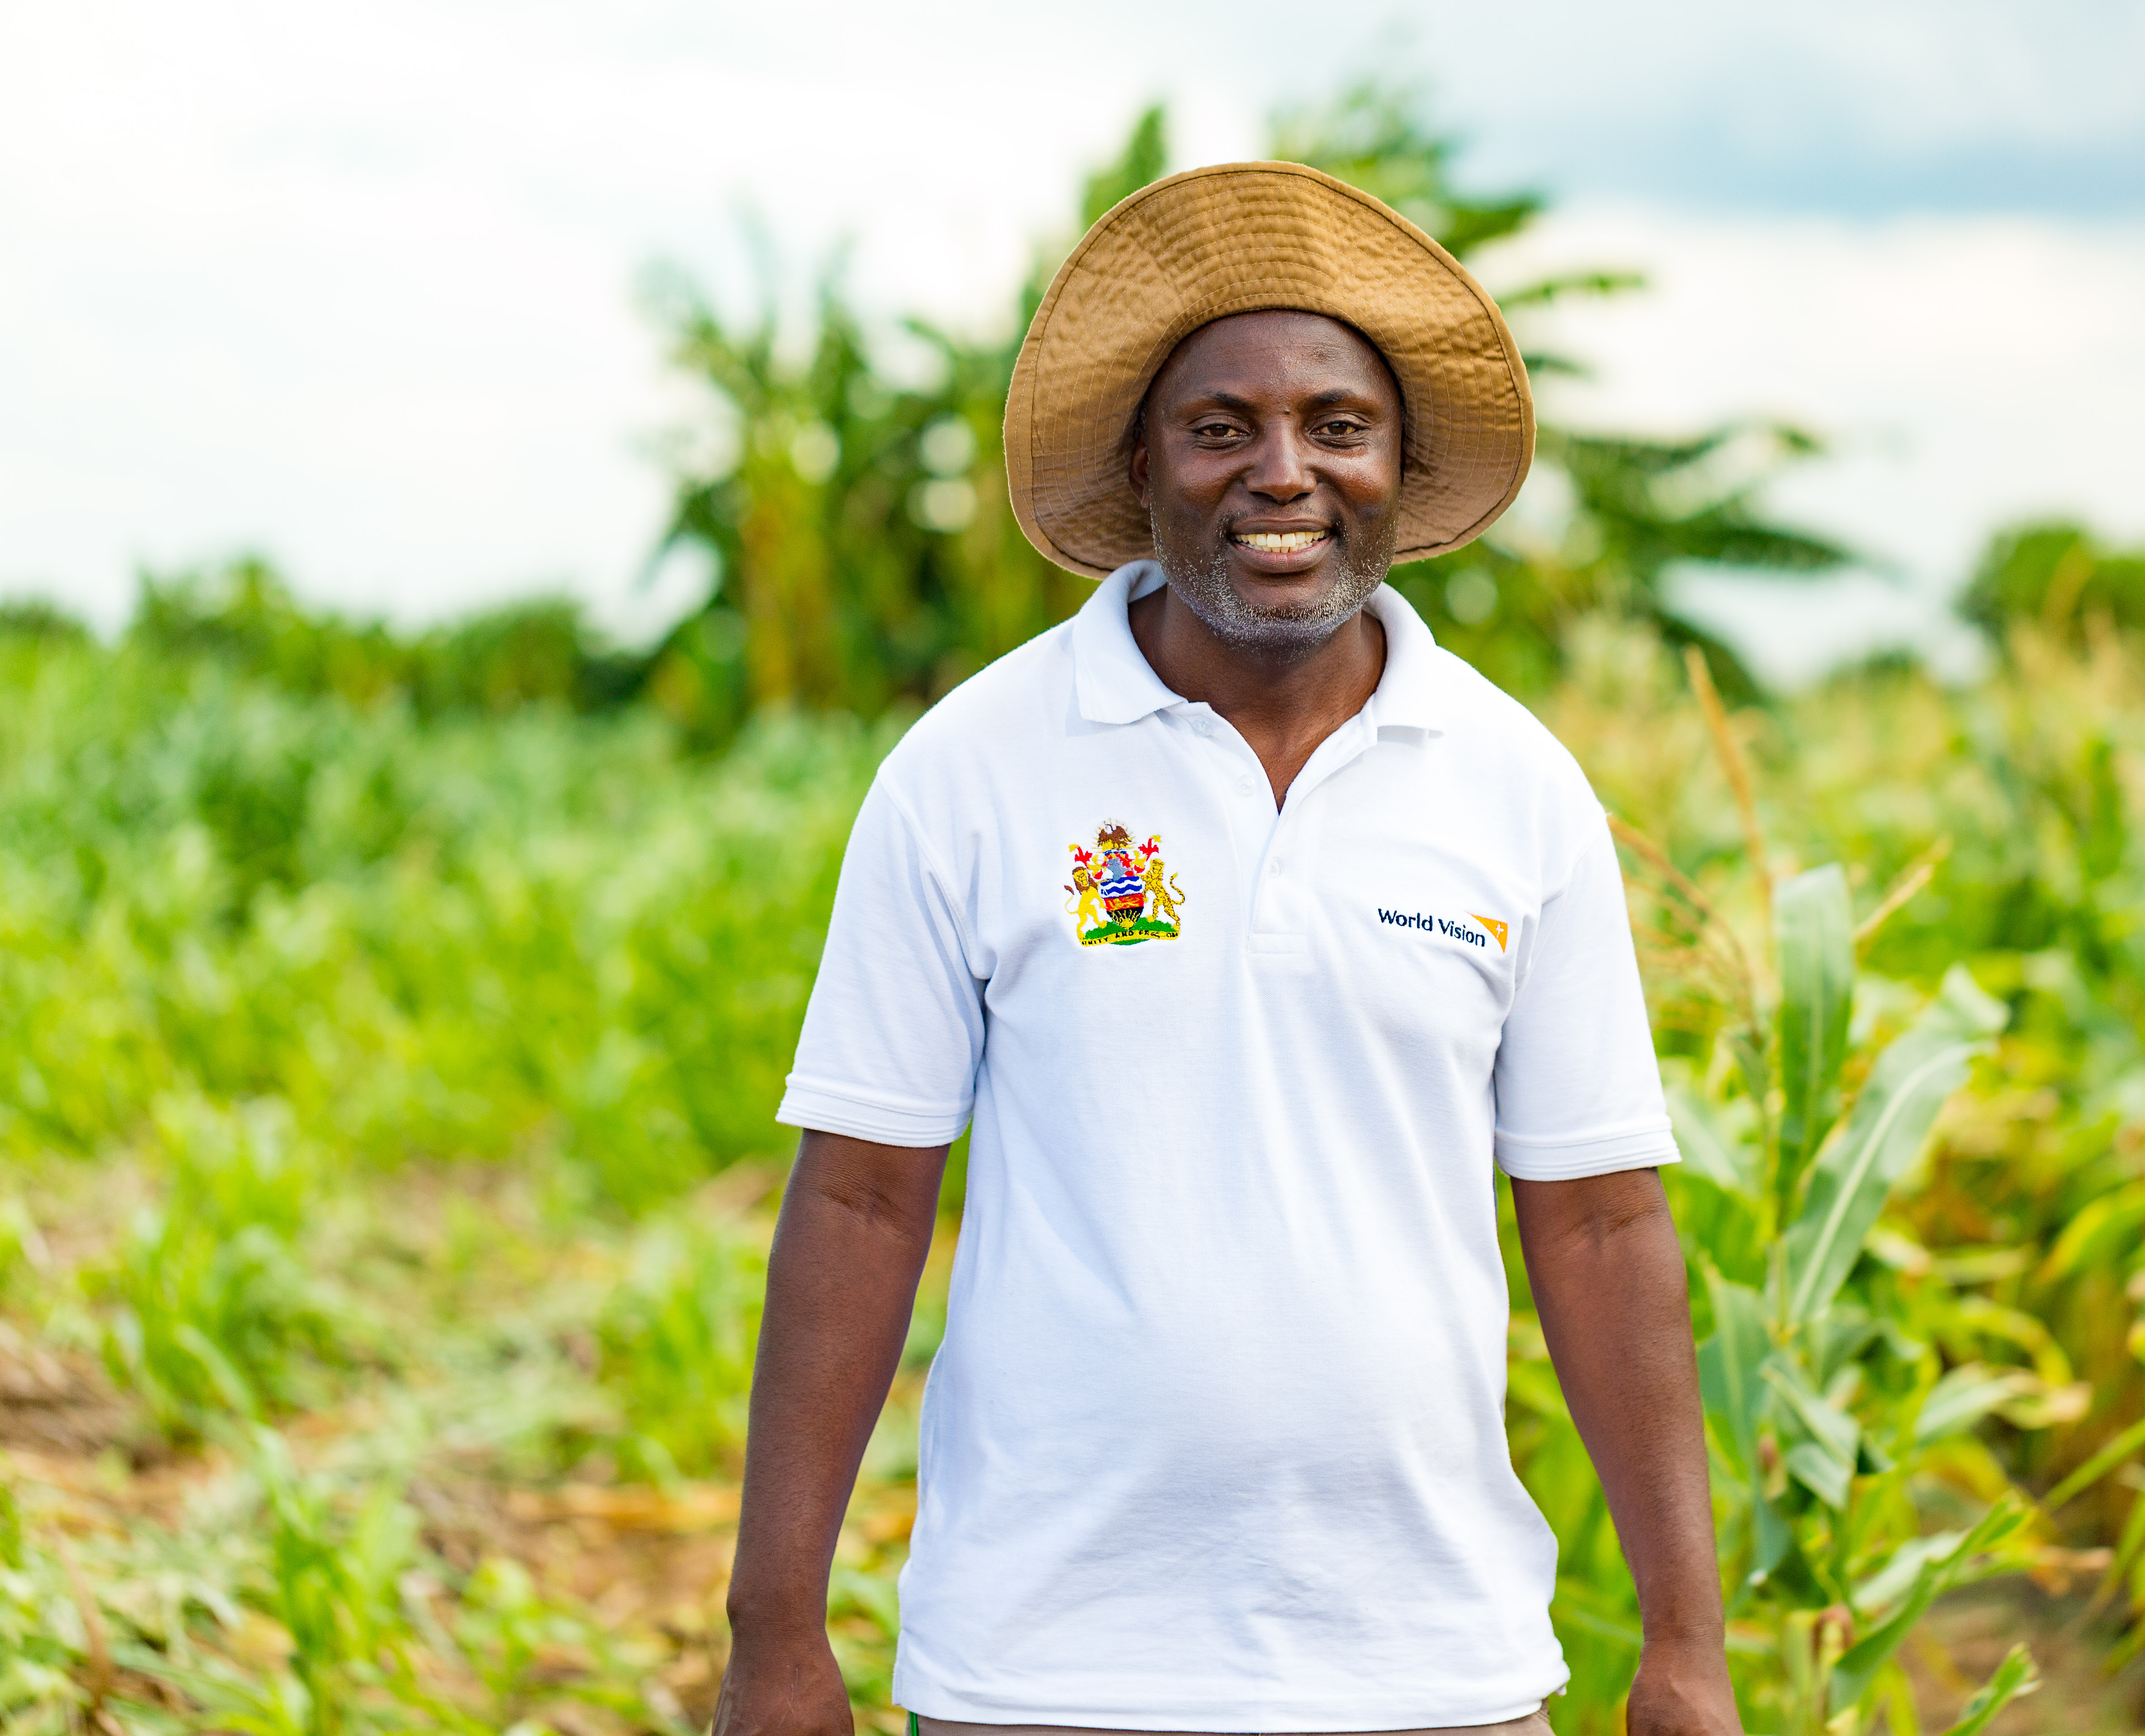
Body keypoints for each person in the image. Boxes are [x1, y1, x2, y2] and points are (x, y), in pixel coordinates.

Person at [712, 162, 1739, 1736]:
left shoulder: (1513, 785)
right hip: (1044, 1671)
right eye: (1222, 428)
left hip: (1434, 1670)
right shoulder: (974, 769)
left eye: (1339, 426)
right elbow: (859, 1194)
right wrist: (773, 1635)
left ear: (1397, 466)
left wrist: (1688, 1643)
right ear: (1143, 465)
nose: (1285, 472)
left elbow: (1601, 1221)